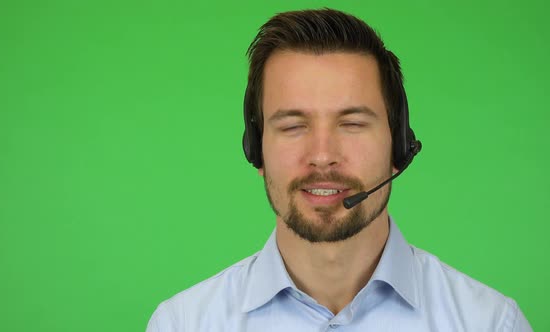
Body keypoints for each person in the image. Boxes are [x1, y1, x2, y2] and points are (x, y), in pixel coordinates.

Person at [146, 8, 532, 331]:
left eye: (352, 124)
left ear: (400, 147)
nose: (322, 155)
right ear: (255, 149)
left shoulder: (490, 322)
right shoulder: (183, 323)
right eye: (293, 126)